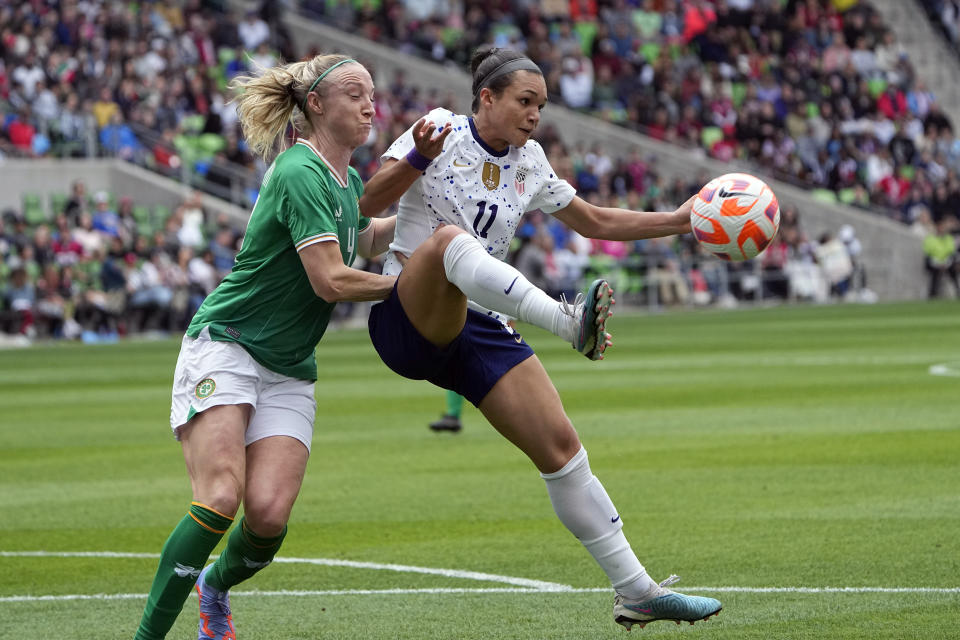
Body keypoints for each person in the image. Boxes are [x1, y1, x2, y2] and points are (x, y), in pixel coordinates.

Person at [359, 48, 721, 630]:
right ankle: (564, 321)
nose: (534, 115)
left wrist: (679, 221)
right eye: (524, 102)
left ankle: (637, 591)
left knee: (562, 450)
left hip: (480, 324)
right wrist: (417, 160)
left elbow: (596, 221)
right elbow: (367, 204)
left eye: (541, 106)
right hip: (406, 313)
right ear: (486, 98)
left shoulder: (529, 162)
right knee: (450, 240)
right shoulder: (439, 130)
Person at [132, 54, 398, 640]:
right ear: (316, 106)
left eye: (372, 93)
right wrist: (412, 287)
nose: (368, 103)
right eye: (355, 92)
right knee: (222, 496)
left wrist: (430, 229)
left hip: (289, 367)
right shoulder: (299, 169)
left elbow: (367, 234)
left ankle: (215, 589)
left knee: (269, 518)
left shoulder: (347, 181)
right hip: (228, 343)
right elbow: (331, 278)